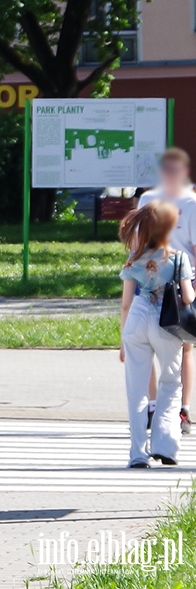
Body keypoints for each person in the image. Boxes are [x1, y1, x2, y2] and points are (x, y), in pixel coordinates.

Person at [119, 200, 194, 468]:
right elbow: (187, 297)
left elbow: (126, 303)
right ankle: (165, 447)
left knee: (137, 389)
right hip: (166, 322)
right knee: (171, 383)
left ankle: (137, 453)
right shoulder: (179, 258)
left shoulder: (134, 259)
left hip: (136, 320)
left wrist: (122, 343)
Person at [137, 147, 196, 433]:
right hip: (150, 281)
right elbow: (138, 243)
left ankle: (182, 410)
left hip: (183, 280)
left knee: (185, 346)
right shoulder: (148, 199)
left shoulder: (191, 202)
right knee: (148, 345)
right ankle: (153, 406)